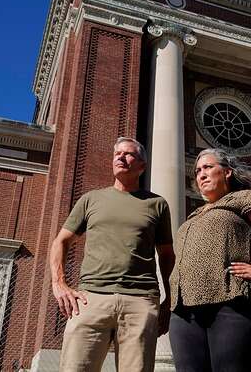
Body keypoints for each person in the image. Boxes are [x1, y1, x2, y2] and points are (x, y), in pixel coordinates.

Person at [49, 137, 175, 372]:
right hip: (89, 300)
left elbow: (166, 254)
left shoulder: (157, 204)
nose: (120, 157)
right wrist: (59, 283)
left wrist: (167, 301)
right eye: (117, 153)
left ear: (142, 166)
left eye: (128, 154)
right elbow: (61, 241)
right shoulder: (91, 199)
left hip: (140, 300)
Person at [169, 148, 251, 372]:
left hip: (230, 303)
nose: (201, 174)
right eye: (198, 170)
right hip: (184, 310)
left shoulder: (242, 198)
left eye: (208, 167)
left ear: (227, 172)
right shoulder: (195, 214)